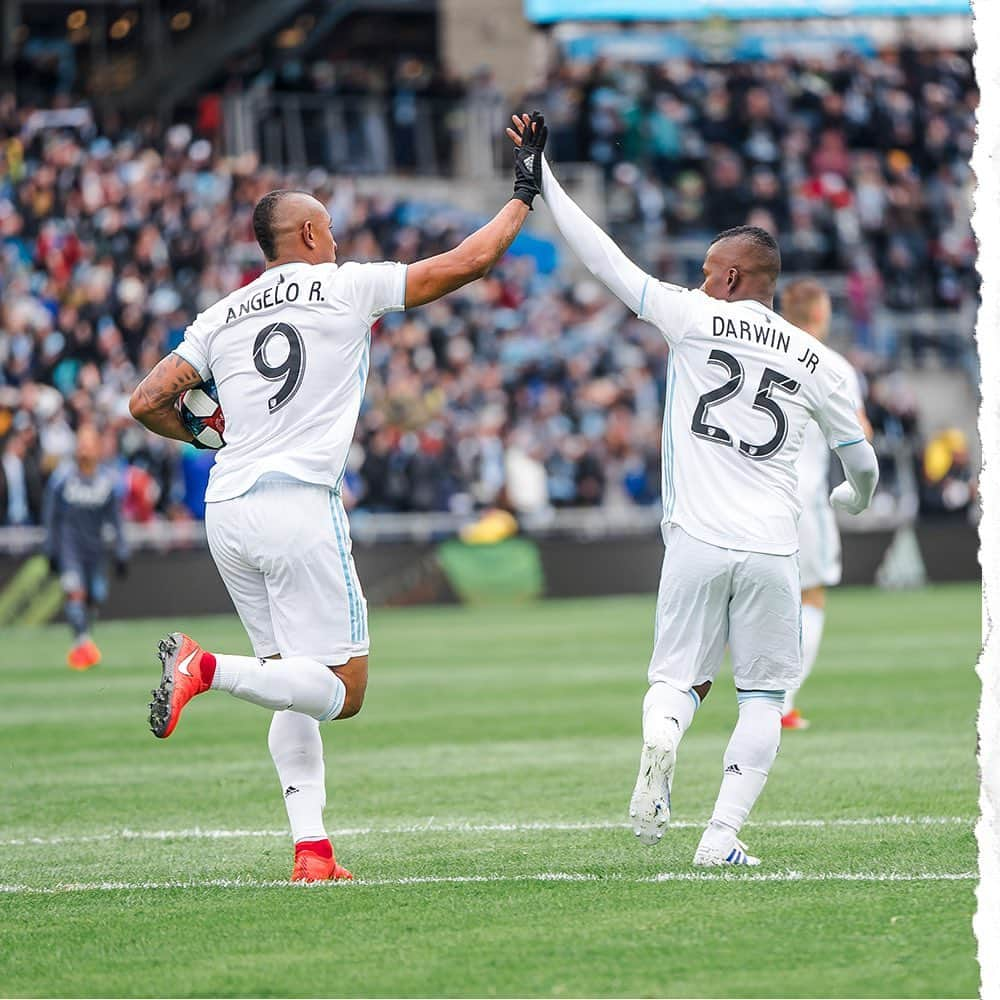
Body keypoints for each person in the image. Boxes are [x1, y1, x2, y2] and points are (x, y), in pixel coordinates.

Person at [128, 114, 549, 882]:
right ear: (313, 236)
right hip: (297, 503)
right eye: (330, 230)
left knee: (288, 675)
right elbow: (470, 262)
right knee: (342, 690)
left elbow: (147, 399)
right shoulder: (344, 287)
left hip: (229, 507)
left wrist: (205, 436)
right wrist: (524, 189)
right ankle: (204, 668)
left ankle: (312, 852)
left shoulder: (222, 316)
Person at [508, 114, 877, 866]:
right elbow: (861, 459)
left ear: (734, 278)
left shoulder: (693, 317)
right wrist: (852, 501)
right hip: (775, 549)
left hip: (696, 541)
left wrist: (540, 177)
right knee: (764, 699)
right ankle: (721, 838)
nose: (702, 278)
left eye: (711, 269)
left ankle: (659, 741)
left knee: (676, 681)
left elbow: (605, 261)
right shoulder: (821, 363)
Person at [779, 279, 872, 730]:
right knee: (809, 595)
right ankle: (782, 703)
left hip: (747, 492)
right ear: (818, 314)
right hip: (803, 494)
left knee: (739, 598)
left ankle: (677, 700)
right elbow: (859, 436)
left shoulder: (761, 348)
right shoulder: (832, 365)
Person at [42, 423, 129, 669]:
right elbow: (51, 516)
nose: (84, 449)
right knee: (75, 593)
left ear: (98, 448)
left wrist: (122, 549)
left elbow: (116, 519)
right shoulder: (62, 479)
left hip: (96, 550)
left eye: (89, 444)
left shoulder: (107, 481)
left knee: (93, 598)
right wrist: (50, 548)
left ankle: (84, 639)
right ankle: (82, 643)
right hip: (70, 548)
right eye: (81, 443)